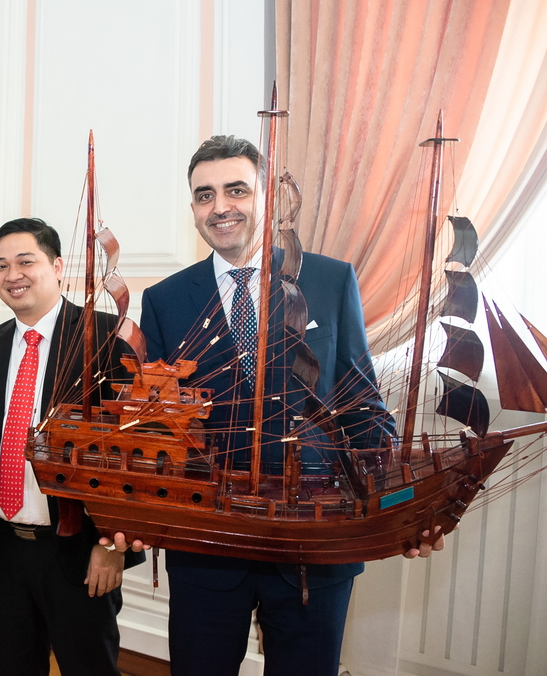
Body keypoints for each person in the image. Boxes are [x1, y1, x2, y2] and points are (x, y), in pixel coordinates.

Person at [139, 135, 443, 676]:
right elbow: (157, 429)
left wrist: (407, 508)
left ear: (267, 197)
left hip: (316, 544)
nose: (220, 207)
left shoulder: (329, 279)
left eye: (236, 190)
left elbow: (362, 405)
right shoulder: (164, 300)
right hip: (207, 547)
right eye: (205, 195)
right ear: (193, 208)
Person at [0, 218, 144, 676]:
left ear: (57, 265)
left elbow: (133, 454)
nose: (13, 275)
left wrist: (112, 544)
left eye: (25, 262)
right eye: (0, 265)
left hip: (78, 550)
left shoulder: (106, 337)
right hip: (1, 548)